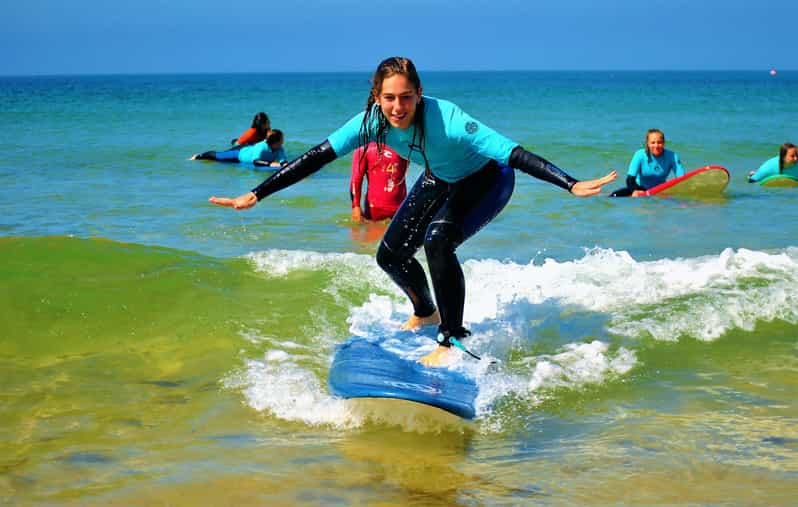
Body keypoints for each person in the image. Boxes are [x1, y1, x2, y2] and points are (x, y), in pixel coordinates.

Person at [209, 56, 616, 366]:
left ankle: (452, 337)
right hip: (440, 175)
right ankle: (425, 311)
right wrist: (256, 194)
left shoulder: (451, 120)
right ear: (377, 98)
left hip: (488, 179)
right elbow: (317, 157)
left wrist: (569, 182)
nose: (398, 107)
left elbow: (513, 152)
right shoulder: (370, 123)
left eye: (406, 97)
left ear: (419, 94)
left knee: (438, 241)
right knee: (389, 255)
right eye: (389, 98)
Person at [610, 129, 685, 197]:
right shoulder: (640, 155)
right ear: (648, 144)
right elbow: (630, 180)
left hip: (660, 190)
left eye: (659, 142)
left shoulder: (672, 156)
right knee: (614, 196)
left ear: (663, 143)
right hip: (640, 189)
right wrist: (635, 191)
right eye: (653, 143)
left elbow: (682, 179)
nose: (656, 145)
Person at [351, 143, 409, 222]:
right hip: (374, 211)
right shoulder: (365, 147)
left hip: (400, 209)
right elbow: (356, 178)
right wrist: (356, 206)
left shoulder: (404, 145)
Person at [191, 129, 288, 168]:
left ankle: (235, 142)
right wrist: (271, 164)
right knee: (218, 156)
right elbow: (256, 161)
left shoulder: (280, 149)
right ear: (275, 142)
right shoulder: (261, 147)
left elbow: (283, 161)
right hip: (240, 154)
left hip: (248, 149)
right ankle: (199, 156)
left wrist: (285, 165)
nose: (283, 142)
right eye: (281, 140)